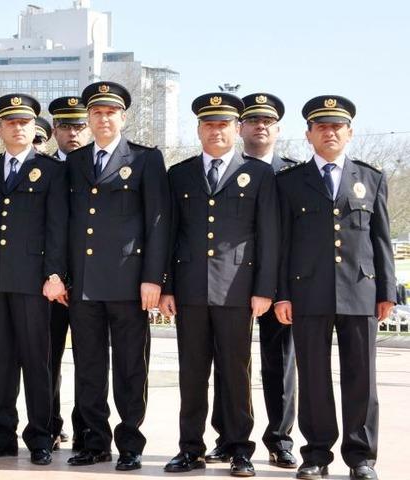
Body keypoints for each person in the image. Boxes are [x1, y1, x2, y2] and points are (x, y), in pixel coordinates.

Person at [274, 96, 395, 480]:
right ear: (309, 134)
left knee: (362, 378)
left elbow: (382, 240)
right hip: (307, 292)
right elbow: (282, 243)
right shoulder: (290, 182)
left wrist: (386, 292)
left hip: (360, 291)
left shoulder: (371, 178)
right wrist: (282, 293)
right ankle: (316, 454)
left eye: (337, 126)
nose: (330, 132)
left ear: (350, 132)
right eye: (321, 126)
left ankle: (361, 457)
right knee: (313, 377)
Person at [160, 92, 279, 477]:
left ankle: (240, 448)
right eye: (209, 124)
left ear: (236, 128)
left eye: (223, 124)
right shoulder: (180, 174)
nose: (216, 130)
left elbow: (268, 236)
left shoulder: (260, 173)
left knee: (236, 372)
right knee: (192, 373)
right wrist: (166, 286)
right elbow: (170, 234)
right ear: (198, 129)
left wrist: (264, 288)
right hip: (191, 289)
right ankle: (189, 448)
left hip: (237, 290)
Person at [66, 81, 170, 472]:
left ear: (123, 117)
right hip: (85, 283)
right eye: (96, 112)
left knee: (130, 367)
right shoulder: (75, 163)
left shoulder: (145, 159)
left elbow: (158, 221)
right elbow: (66, 222)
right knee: (89, 367)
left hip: (129, 284)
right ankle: (94, 442)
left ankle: (130, 442)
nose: (103, 118)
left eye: (111, 112)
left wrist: (153, 278)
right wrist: (61, 274)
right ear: (89, 119)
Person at [0, 93, 66, 466]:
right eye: (10, 122)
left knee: (37, 363)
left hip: (34, 283)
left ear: (33, 127)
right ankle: (1, 435)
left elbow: (57, 227)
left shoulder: (52, 171)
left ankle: (41, 436)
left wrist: (55, 274)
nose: (18, 127)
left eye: (24, 122)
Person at [206, 92, 299, 469]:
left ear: (277, 128)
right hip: (231, 281)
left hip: (278, 284)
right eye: (253, 120)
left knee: (278, 363)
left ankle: (280, 439)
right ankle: (228, 436)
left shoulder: (291, 173)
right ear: (238, 126)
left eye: (268, 121)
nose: (260, 126)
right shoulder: (220, 167)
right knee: (227, 361)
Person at [47, 95, 92, 451]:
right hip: (50, 283)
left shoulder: (92, 166)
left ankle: (85, 428)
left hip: (89, 282)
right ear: (53, 131)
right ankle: (49, 424)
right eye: (65, 126)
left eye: (79, 125)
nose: (73, 133)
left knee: (88, 361)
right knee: (47, 358)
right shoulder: (45, 168)